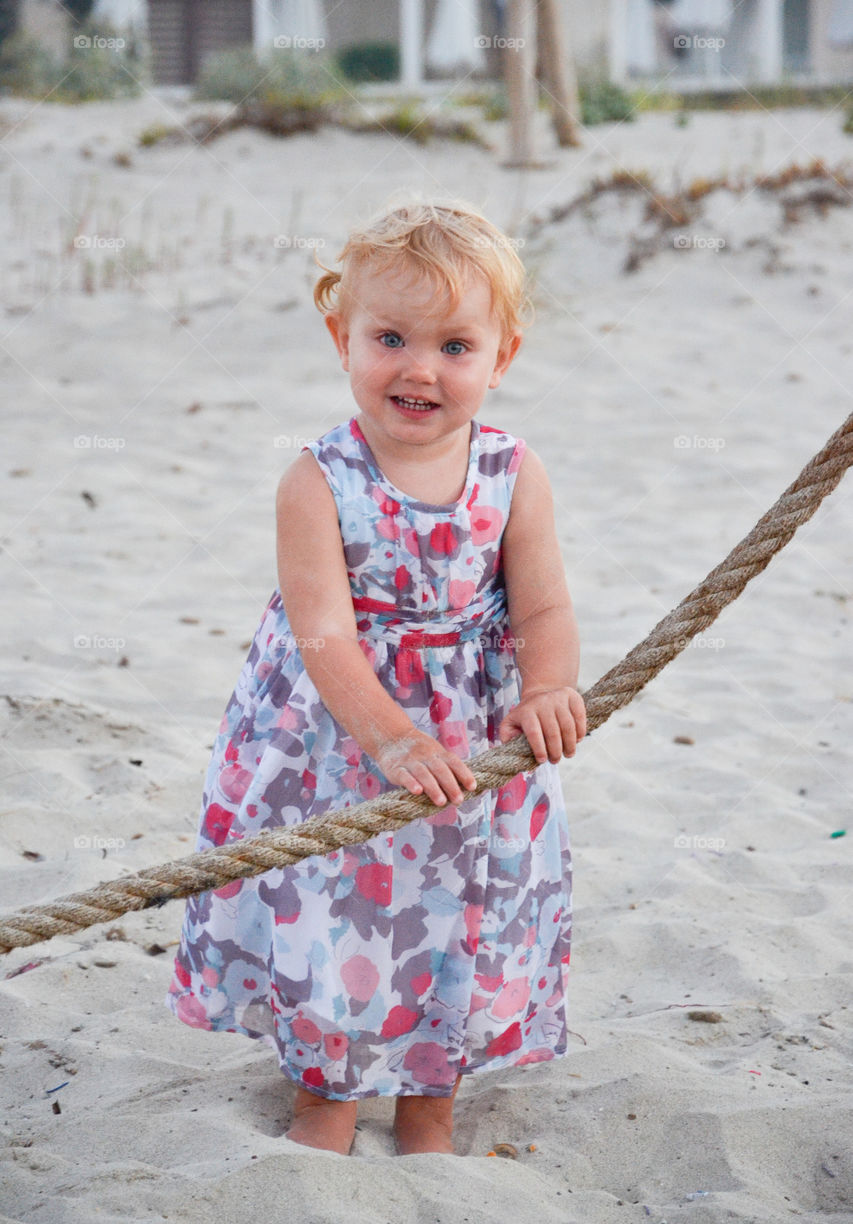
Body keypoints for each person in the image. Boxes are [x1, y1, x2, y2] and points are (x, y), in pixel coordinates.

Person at [165, 199, 586, 1157]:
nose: (419, 369)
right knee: (332, 908)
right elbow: (322, 636)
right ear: (340, 339)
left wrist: (548, 685)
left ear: (501, 357)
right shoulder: (317, 479)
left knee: (462, 913)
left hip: (474, 744)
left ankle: (429, 1105)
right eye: (389, 337)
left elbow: (544, 609)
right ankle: (327, 1093)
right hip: (339, 741)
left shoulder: (513, 471)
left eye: (454, 345)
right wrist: (389, 735)